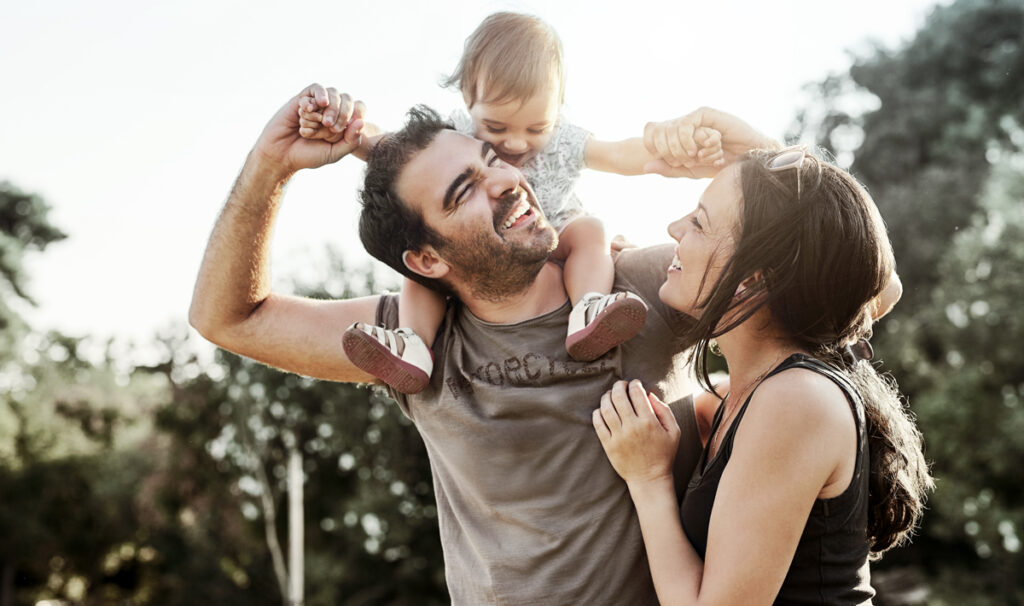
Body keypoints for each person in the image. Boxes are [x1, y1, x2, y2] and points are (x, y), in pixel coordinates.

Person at [190, 83, 730, 605]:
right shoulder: (410, 346)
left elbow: (782, 258)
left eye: (492, 160)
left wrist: (742, 149)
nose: (506, 180)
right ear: (427, 261)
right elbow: (228, 318)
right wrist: (271, 163)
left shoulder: (644, 288)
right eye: (464, 191)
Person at [593, 111, 933, 605]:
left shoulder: (795, 400)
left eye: (699, 222)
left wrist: (649, 479)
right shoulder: (756, 392)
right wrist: (769, 165)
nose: (674, 227)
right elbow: (872, 282)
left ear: (753, 278)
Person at [297, 11, 723, 393]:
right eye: (497, 128)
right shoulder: (456, 135)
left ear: (557, 109)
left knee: (590, 231)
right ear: (469, 100)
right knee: (427, 266)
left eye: (536, 128)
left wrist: (672, 151)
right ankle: (413, 344)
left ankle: (589, 307)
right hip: (487, 250)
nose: (517, 143)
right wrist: (346, 129)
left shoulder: (563, 140)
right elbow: (391, 149)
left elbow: (617, 154)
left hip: (554, 234)